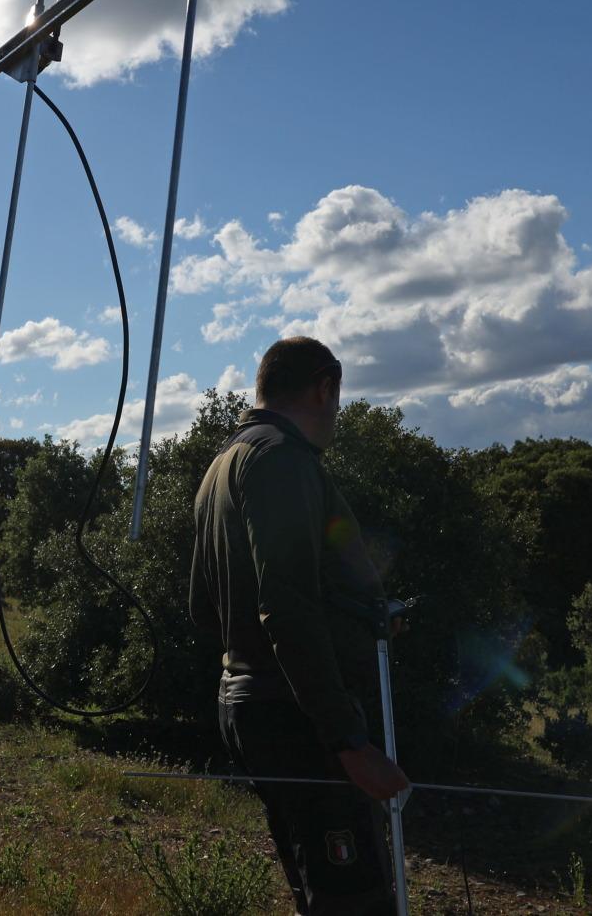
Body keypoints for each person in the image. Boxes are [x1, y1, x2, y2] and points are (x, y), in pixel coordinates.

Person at [189, 336, 410, 915]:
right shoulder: (280, 460)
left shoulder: (222, 464)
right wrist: (348, 740)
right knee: (353, 901)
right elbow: (284, 606)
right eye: (336, 398)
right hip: (296, 718)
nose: (336, 413)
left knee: (319, 891)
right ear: (324, 387)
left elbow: (201, 608)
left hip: (246, 703)